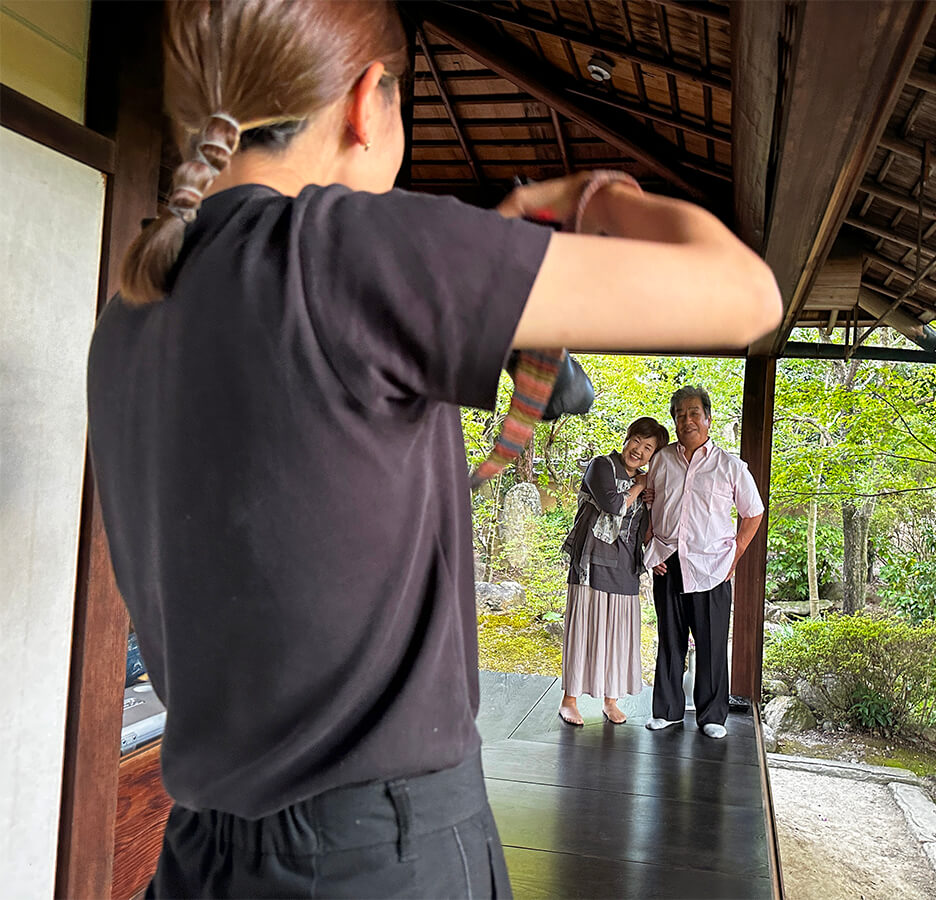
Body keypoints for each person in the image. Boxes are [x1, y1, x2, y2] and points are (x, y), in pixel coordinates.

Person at [86, 1, 781, 896]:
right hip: (378, 853)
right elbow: (745, 296)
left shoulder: (132, 312)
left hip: (203, 855)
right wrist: (599, 196)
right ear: (368, 101)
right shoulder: (345, 249)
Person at [643, 386, 765, 740]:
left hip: (712, 568)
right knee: (669, 640)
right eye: (680, 415)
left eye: (694, 413)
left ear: (708, 419)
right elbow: (650, 506)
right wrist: (651, 551)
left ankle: (712, 715)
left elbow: (753, 513)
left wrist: (735, 556)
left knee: (712, 643)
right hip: (668, 563)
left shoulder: (729, 466)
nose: (687, 420)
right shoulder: (662, 460)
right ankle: (666, 711)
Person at [558, 417, 670, 726]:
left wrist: (652, 554)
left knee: (618, 634)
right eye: (637, 441)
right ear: (628, 438)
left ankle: (611, 699)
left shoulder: (646, 483)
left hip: (625, 566)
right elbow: (612, 504)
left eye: (649, 448)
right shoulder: (602, 465)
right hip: (592, 562)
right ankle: (569, 699)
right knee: (585, 629)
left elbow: (644, 527)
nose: (640, 451)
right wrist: (640, 485)